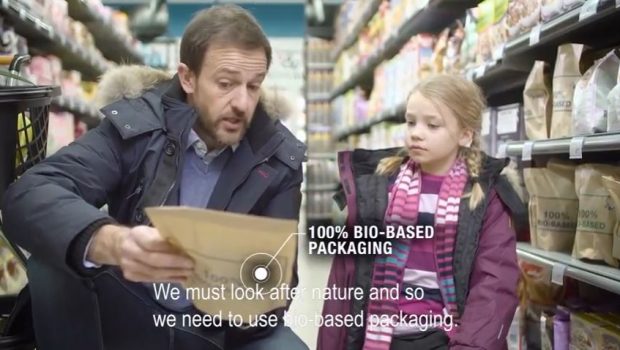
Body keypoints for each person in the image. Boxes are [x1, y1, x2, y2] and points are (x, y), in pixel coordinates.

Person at [1, 5, 307, 350]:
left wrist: (229, 285)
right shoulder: (139, 125)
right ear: (187, 78)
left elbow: (277, 290)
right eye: (225, 83)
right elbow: (30, 192)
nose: (242, 102)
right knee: (55, 254)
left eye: (254, 85)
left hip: (216, 328)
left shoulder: (278, 158)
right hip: (134, 308)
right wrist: (111, 241)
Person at [317, 75, 527, 350]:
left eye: (432, 125)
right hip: (377, 337)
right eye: (411, 121)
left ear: (465, 134)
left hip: (444, 338)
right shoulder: (378, 188)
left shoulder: (484, 197)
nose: (416, 132)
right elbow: (344, 282)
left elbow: (493, 285)